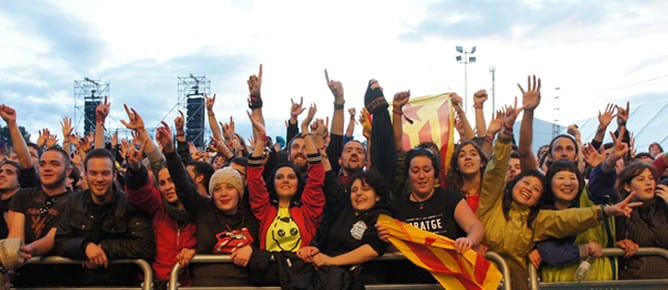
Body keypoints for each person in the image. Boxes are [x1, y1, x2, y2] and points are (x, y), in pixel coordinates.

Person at [478, 98, 642, 290]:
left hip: (593, 282)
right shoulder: (494, 206)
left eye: (536, 188)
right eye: (526, 183)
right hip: (487, 283)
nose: (529, 188)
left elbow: (570, 218)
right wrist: (505, 133)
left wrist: (608, 170)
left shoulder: (549, 214)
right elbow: (497, 170)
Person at [158, 121, 258, 286]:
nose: (223, 193)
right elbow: (183, 185)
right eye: (217, 189)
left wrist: (253, 252)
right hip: (206, 283)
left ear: (239, 192)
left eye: (229, 188)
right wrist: (170, 151)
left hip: (244, 284)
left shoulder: (252, 212)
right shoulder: (203, 208)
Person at [54, 148, 155, 286]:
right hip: (80, 283)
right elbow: (60, 241)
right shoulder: (74, 202)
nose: (99, 179)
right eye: (93, 173)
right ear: (86, 175)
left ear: (114, 175)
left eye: (105, 173)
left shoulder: (129, 204)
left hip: (121, 284)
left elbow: (145, 245)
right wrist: (85, 247)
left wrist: (105, 248)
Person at [247, 104, 325, 253]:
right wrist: (262, 137)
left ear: (298, 183)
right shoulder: (265, 210)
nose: (285, 180)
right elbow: (253, 179)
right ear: (273, 183)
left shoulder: (308, 211)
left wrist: (305, 130)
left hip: (301, 272)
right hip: (270, 273)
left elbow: (316, 175)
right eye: (279, 177)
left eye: (291, 177)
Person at [297, 170, 391, 290]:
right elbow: (322, 236)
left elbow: (372, 249)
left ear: (377, 196)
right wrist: (312, 248)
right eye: (354, 190)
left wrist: (332, 261)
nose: (358, 193)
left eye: (365, 189)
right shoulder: (341, 211)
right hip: (327, 276)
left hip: (359, 278)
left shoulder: (382, 216)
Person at [125, 143, 197, 289]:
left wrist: (196, 253)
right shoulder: (158, 207)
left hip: (188, 284)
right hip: (156, 283)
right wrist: (136, 169)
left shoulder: (200, 209)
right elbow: (140, 193)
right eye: (162, 183)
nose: (168, 187)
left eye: (172, 181)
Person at [533, 161, 615, 282]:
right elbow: (548, 251)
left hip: (598, 281)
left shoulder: (588, 204)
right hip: (557, 283)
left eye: (573, 178)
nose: (567, 183)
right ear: (549, 182)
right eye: (560, 177)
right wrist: (584, 249)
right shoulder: (540, 213)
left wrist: (607, 164)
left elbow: (599, 186)